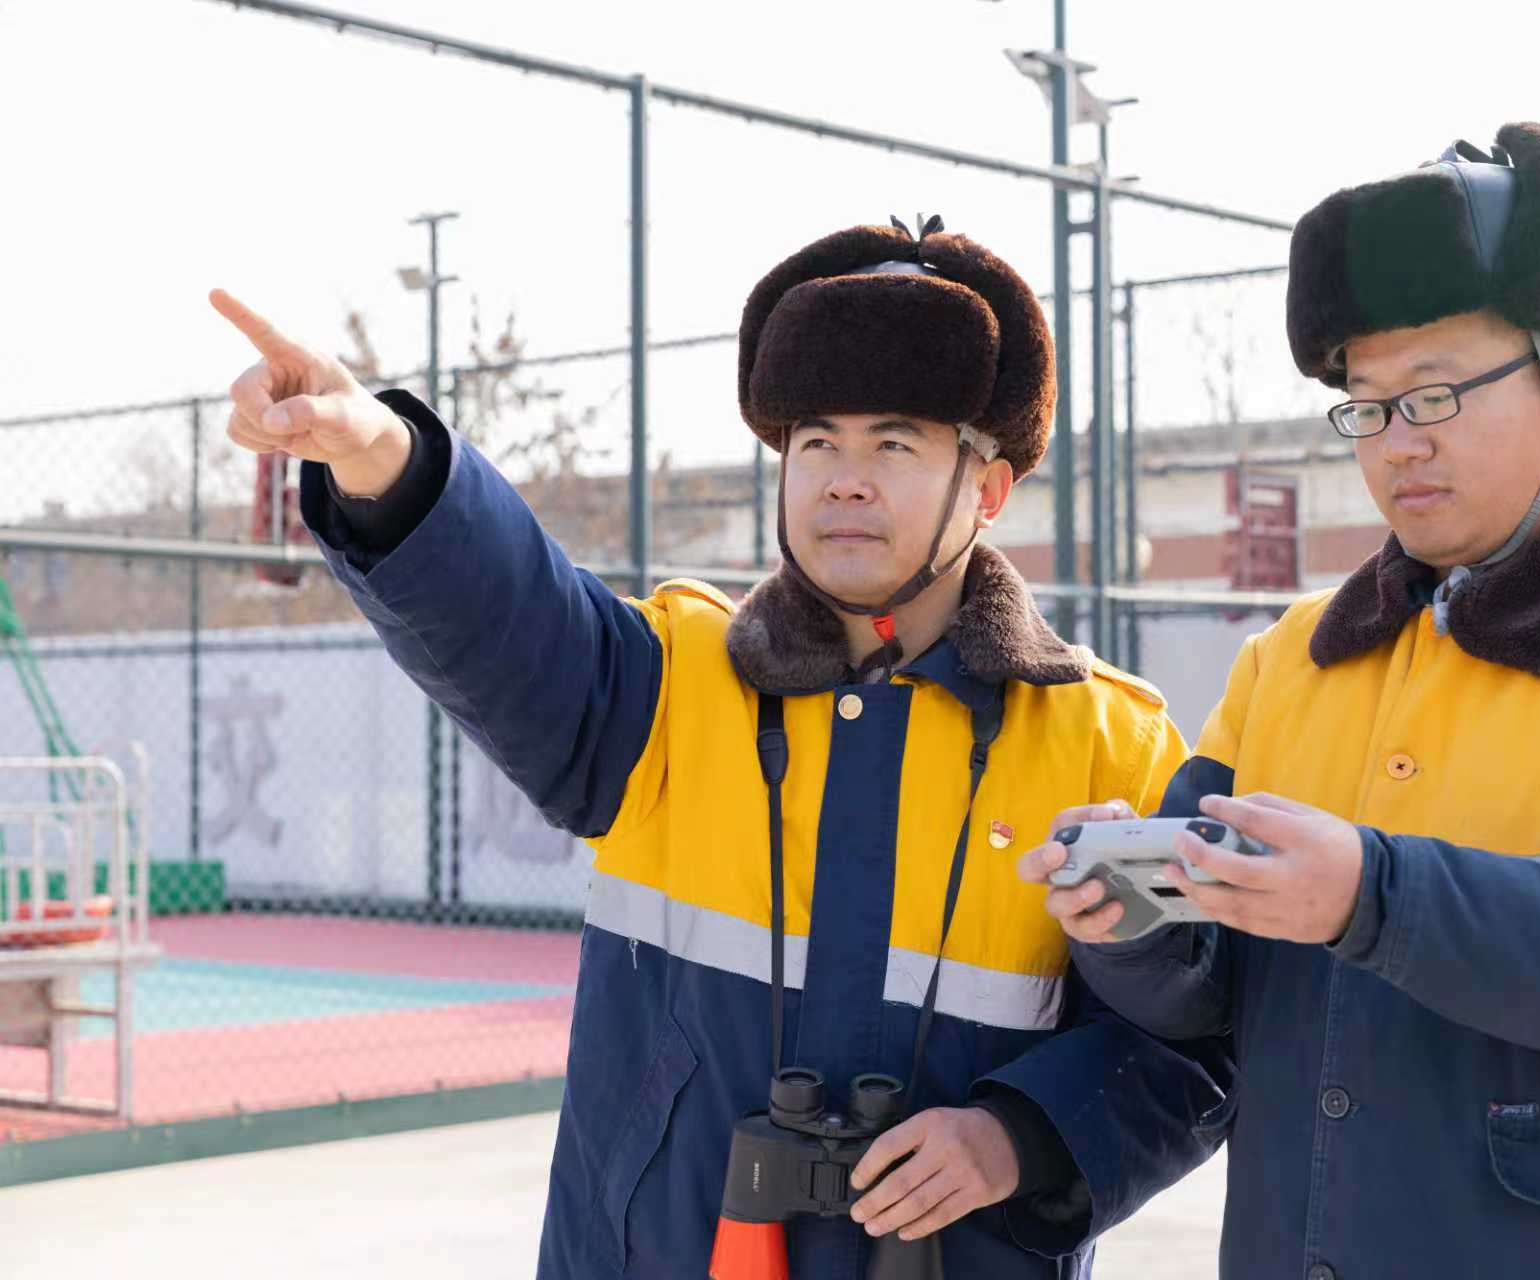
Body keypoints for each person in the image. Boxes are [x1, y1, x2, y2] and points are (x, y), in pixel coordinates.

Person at [209, 215, 1228, 1280]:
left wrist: (1019, 1136)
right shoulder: (673, 682)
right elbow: (505, 608)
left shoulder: (1111, 746)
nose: (845, 479)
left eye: (895, 443)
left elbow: (1196, 1049)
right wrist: (377, 450)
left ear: (989, 487)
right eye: (816, 442)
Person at [1022, 124, 1540, 1280]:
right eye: (1367, 403)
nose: (1398, 444)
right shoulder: (1290, 662)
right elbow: (1210, 996)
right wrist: (1134, 923)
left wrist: (1377, 893)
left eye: (1437, 393)